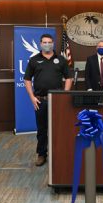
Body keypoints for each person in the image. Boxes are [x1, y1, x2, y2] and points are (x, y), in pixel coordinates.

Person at [24, 33, 72, 166]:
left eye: (49, 42)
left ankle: (58, 153)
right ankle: (41, 154)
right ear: (40, 44)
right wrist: (32, 97)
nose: (47, 44)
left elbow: (69, 78)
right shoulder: (34, 60)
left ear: (53, 43)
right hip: (40, 100)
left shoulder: (61, 59)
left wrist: (65, 95)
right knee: (42, 129)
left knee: (59, 128)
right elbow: (27, 79)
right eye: (44, 42)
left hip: (57, 100)